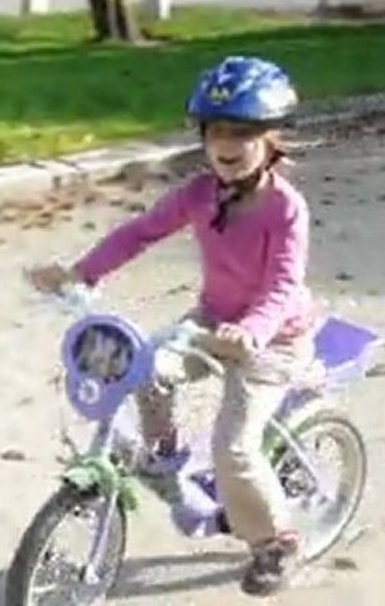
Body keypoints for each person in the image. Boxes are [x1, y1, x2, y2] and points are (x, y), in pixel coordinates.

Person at [26, 55, 318, 597]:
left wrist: (251, 330)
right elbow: (139, 233)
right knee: (144, 369)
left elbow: (282, 286)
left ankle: (276, 544)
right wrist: (79, 273)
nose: (225, 145)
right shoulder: (198, 194)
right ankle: (165, 458)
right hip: (211, 320)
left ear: (271, 139)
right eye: (215, 132)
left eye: (241, 133)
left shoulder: (286, 209)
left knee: (235, 448)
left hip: (272, 340)